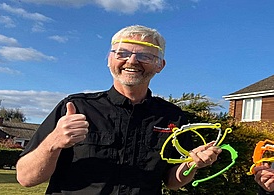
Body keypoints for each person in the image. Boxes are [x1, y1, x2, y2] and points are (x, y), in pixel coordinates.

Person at [16, 25, 222, 195]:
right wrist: (54, 142)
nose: (132, 61)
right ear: (109, 59)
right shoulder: (76, 107)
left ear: (160, 65)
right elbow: (26, 178)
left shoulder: (172, 116)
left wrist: (192, 164)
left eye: (145, 56)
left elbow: (171, 181)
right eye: (122, 53)